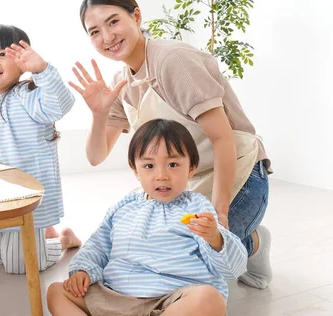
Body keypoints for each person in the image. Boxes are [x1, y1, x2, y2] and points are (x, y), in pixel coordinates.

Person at [69, 0, 271, 289]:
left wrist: (219, 214)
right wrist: (99, 114)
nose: (107, 37)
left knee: (188, 261)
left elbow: (222, 139)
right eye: (94, 31)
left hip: (240, 175)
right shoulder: (122, 82)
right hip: (186, 181)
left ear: (136, 16)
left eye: (113, 22)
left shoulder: (173, 61)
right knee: (152, 250)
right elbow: (96, 157)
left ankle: (253, 242)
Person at [47, 119, 247, 316]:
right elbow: (97, 246)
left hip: (170, 300)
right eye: (149, 166)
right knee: (57, 291)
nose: (161, 175)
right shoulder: (124, 206)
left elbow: (233, 268)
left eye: (173, 164)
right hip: (115, 298)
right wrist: (83, 270)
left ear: (191, 168)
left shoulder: (197, 206)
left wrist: (215, 239)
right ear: (136, 170)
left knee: (209, 299)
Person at [0, 24, 81, 273]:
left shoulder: (29, 95)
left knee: (20, 266)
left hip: (25, 196)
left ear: (22, 62)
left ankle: (63, 239)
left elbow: (60, 104)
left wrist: (42, 69)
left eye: (2, 54)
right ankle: (43, 237)